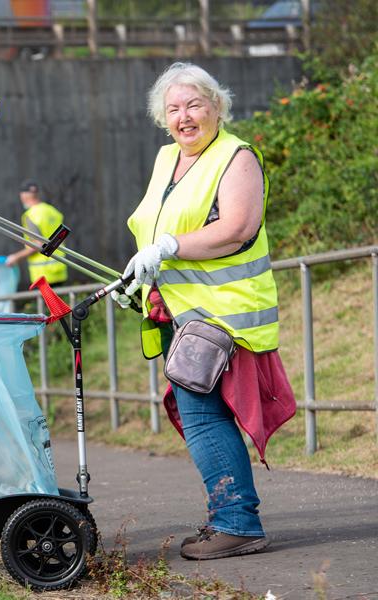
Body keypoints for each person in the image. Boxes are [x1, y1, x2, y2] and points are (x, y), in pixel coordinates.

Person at [113, 62, 296, 560]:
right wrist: (140, 274)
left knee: (203, 416)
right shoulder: (166, 158)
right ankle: (229, 518)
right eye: (173, 108)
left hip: (223, 312)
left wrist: (168, 246)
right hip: (181, 310)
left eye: (194, 104)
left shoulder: (236, 157)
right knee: (204, 414)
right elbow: (154, 229)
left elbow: (237, 227)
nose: (184, 116)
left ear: (218, 106)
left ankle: (237, 522)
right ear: (162, 117)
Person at [5, 179, 68, 286]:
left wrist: (16, 257)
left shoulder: (31, 215)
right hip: (59, 270)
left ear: (24, 196)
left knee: (45, 303)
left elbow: (38, 244)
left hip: (42, 274)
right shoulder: (53, 211)